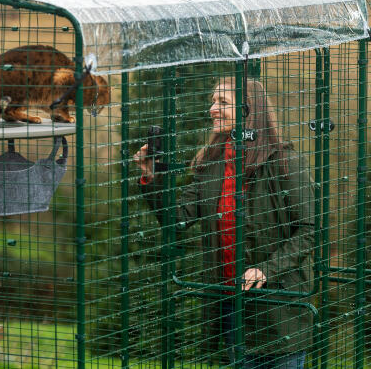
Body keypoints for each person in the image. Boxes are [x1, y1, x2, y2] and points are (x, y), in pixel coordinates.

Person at [133, 77, 315, 369]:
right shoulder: (211, 162)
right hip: (229, 307)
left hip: (279, 309)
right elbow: (177, 220)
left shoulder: (283, 160)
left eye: (223, 102)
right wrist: (153, 178)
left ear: (248, 110)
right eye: (213, 101)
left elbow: (311, 229)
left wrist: (266, 270)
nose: (212, 109)